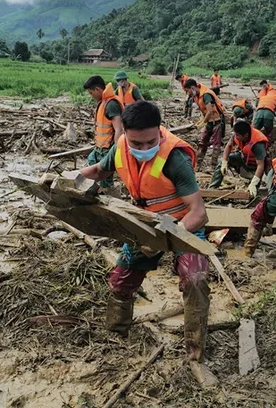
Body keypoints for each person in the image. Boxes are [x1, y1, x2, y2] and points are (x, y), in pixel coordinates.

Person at [79, 100, 217, 385]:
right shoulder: (120, 147)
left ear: (160, 132)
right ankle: (116, 338)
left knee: (195, 278)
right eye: (136, 144)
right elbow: (100, 171)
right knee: (121, 281)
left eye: (150, 142)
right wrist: (73, 178)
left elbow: (199, 213)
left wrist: (165, 236)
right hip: (143, 221)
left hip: (177, 222)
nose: (143, 150)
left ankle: (196, 356)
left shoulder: (175, 158)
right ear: (125, 133)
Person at [84, 75, 124, 189]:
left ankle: (110, 198)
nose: (91, 96)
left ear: (98, 89)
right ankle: (97, 190)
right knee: (91, 161)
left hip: (108, 149)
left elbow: (118, 129)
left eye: (91, 93)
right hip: (100, 147)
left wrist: (117, 150)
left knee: (106, 179)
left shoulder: (111, 104)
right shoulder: (103, 102)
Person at [209, 121, 268, 194]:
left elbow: (260, 165)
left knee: (253, 191)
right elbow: (229, 146)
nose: (235, 137)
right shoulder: (237, 135)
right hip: (243, 159)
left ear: (246, 135)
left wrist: (254, 183)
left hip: (254, 167)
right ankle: (212, 187)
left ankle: (253, 187)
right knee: (224, 161)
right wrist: (224, 162)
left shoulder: (257, 144)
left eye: (238, 135)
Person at [183, 79, 226, 170]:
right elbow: (204, 111)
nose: (188, 93)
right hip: (209, 121)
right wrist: (201, 121)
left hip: (217, 121)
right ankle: (197, 164)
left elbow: (210, 111)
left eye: (188, 91)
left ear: (192, 87)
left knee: (216, 144)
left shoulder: (206, 95)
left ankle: (213, 166)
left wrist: (203, 123)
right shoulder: (197, 95)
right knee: (202, 142)